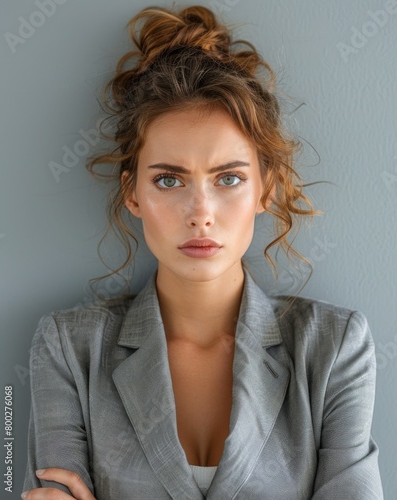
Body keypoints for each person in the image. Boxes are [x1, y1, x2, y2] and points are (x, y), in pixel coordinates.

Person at [22, 4, 383, 499]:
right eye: (168, 180)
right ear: (132, 194)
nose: (200, 212)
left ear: (265, 190)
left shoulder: (333, 348)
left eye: (228, 178)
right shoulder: (69, 350)